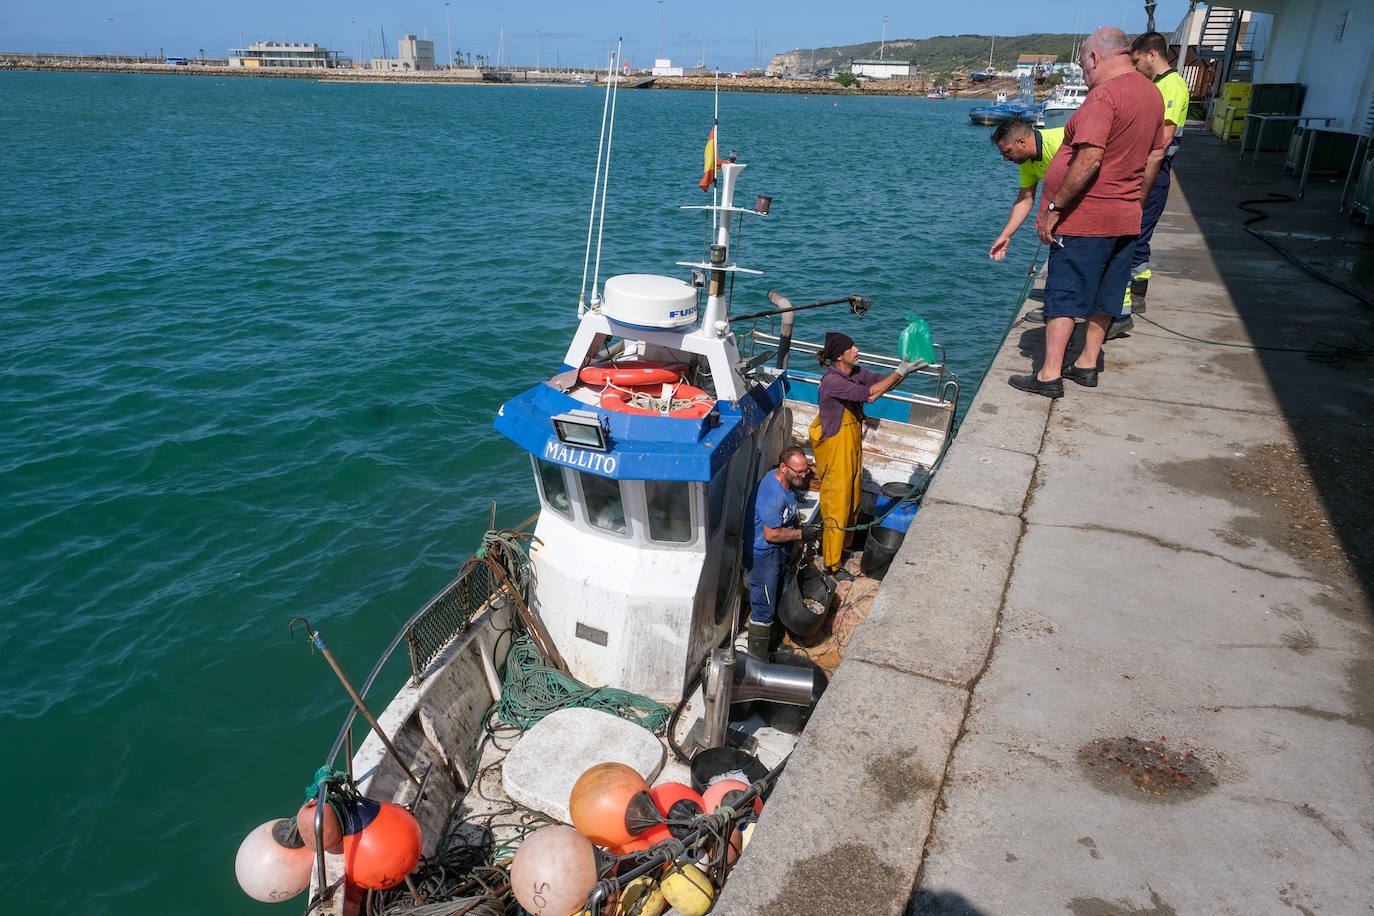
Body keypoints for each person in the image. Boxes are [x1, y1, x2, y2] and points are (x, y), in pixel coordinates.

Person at [1010, 27, 1166, 399]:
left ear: (1095, 57)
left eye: (1082, 63)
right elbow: (1156, 155)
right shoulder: (1151, 93)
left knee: (1063, 294)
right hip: (1125, 216)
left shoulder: (1104, 96)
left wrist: (1054, 208)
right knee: (1108, 293)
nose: (1082, 71)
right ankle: (1087, 364)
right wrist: (1137, 201)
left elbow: (1090, 157)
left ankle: (1049, 375)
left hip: (1086, 219)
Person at [809, 332, 916, 580]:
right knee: (837, 502)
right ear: (839, 355)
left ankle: (843, 548)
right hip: (836, 449)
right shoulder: (831, 382)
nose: (857, 350)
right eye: (851, 347)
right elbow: (869, 395)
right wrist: (900, 370)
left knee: (852, 499)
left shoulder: (855, 373)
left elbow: (884, 384)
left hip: (851, 445)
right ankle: (831, 565)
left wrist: (906, 371)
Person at [1125, 30, 1191, 316]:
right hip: (1145, 170)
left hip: (1155, 172)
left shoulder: (1172, 86)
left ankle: (1134, 296)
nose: (1136, 67)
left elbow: (1162, 141)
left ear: (1152, 55)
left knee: (1137, 235)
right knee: (1132, 233)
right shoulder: (1158, 84)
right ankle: (1127, 293)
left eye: (1137, 60)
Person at [743, 446, 817, 659]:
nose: (803, 476)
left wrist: (798, 533)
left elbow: (790, 513)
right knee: (764, 605)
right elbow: (772, 535)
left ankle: (772, 643)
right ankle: (757, 658)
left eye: (806, 471)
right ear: (784, 467)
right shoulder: (772, 494)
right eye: (799, 472)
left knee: (781, 592)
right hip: (763, 556)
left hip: (780, 552)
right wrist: (801, 534)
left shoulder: (787, 482)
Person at [988, 117, 1065, 261]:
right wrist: (1005, 235)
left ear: (1022, 142)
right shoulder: (1027, 164)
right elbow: (1025, 199)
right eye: (1002, 154)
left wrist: (1052, 211)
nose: (1005, 159)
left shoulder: (1060, 144)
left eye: (1007, 152)